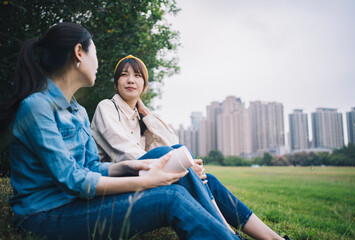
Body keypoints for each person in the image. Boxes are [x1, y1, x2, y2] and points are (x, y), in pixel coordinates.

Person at [2, 22, 248, 240]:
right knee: (170, 198)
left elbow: (89, 166)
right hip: (46, 216)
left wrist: (131, 167)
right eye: (95, 54)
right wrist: (142, 182)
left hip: (77, 203)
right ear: (79, 53)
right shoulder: (36, 107)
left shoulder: (77, 111)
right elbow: (73, 180)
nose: (97, 63)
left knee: (169, 162)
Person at [91, 55, 290, 240]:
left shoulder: (140, 118)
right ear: (116, 83)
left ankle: (275, 238)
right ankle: (228, 234)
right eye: (124, 75)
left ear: (145, 86)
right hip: (115, 187)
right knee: (169, 156)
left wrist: (145, 112)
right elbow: (125, 152)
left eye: (137, 75)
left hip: (142, 181)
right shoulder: (106, 107)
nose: (130, 80)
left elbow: (172, 141)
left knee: (207, 180)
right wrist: (183, 167)